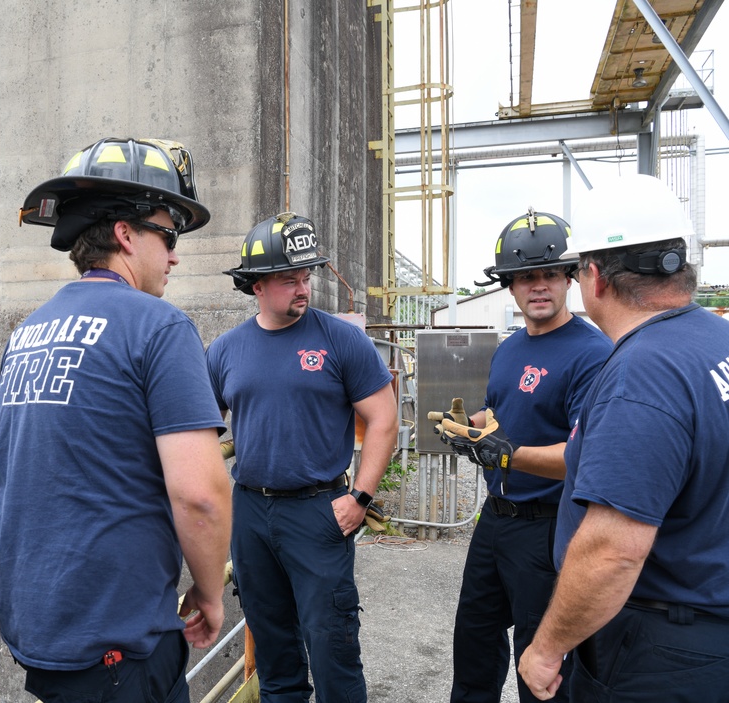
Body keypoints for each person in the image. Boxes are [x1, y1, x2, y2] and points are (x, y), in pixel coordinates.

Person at [0, 137, 232, 703]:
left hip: (40, 629)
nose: (174, 255)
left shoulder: (27, 332)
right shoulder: (158, 327)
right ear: (125, 234)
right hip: (117, 643)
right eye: (167, 235)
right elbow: (200, 495)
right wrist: (211, 594)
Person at [517, 175, 729, 702]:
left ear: (594, 276)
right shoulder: (717, 341)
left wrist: (546, 649)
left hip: (662, 651)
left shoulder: (643, 372)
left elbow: (614, 551)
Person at [206, 212, 399, 703]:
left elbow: (383, 418)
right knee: (273, 649)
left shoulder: (340, 339)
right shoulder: (226, 350)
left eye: (306, 276)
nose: (303, 287)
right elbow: (202, 431)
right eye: (289, 278)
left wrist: (360, 495)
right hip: (250, 510)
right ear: (257, 286)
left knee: (332, 644)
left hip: (319, 511)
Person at [433, 208, 611, 703]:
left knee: (542, 665)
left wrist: (505, 455)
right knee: (473, 643)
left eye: (550, 273)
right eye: (525, 276)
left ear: (571, 278)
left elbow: (582, 456)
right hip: (495, 521)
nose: (538, 286)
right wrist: (470, 428)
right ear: (508, 286)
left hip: (550, 527)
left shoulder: (590, 354)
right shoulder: (510, 348)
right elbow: (501, 415)